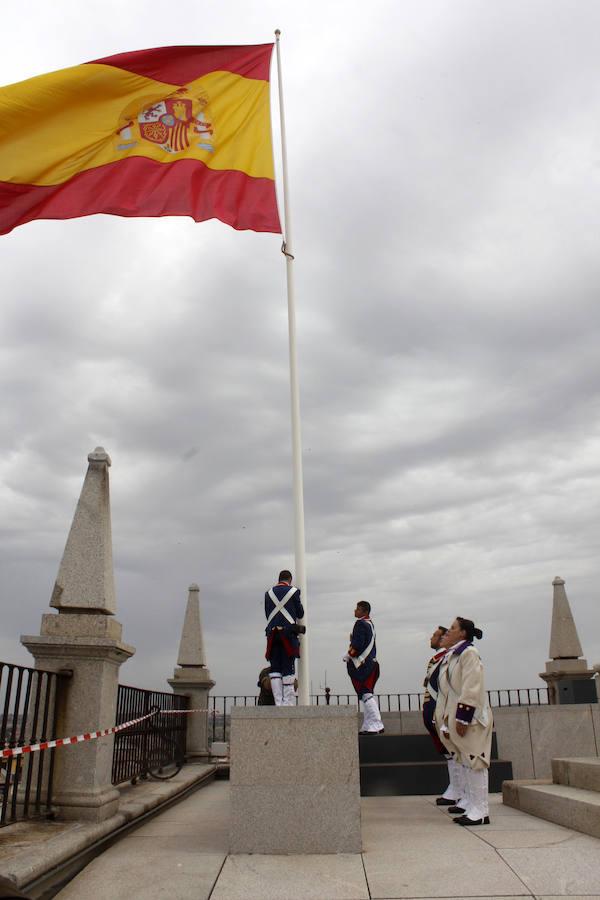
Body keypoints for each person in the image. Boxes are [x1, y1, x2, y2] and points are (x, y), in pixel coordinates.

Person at [434, 616, 493, 826]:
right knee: (465, 760)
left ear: (463, 633)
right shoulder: (454, 656)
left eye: (452, 628)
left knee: (475, 760)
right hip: (455, 716)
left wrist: (463, 716)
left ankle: (481, 810)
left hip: (471, 718)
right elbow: (448, 692)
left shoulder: (469, 653)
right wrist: (444, 719)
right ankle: (472, 803)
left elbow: (472, 686)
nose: (447, 632)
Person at [422, 625, 466, 809]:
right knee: (447, 752)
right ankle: (455, 788)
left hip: (443, 710)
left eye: (434, 635)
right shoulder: (438, 658)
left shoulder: (448, 658)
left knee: (454, 752)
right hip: (434, 710)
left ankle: (461, 792)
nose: (431, 638)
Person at [264, 569, 304, 706]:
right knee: (288, 668)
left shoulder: (268, 593)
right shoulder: (294, 591)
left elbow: (267, 614)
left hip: (272, 635)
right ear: (290, 580)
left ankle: (278, 702)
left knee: (275, 669)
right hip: (288, 635)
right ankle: (287, 703)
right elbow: (300, 613)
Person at [345, 601, 384, 734]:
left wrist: (348, 655)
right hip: (371, 664)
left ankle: (377, 723)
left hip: (363, 666)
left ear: (364, 612)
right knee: (365, 695)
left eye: (358, 609)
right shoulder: (370, 624)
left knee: (366, 694)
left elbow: (358, 645)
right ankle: (368, 724)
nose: (355, 611)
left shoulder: (360, 624)